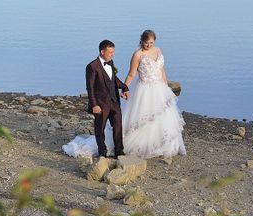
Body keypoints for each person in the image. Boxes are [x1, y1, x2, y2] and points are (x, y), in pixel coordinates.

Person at [122, 30, 186, 158]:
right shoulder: (137, 55)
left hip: (160, 88)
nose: (149, 45)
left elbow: (161, 69)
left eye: (151, 43)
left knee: (164, 117)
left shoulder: (158, 50)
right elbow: (131, 74)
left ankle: (163, 145)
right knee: (145, 117)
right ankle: (144, 145)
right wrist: (125, 88)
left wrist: (166, 85)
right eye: (146, 43)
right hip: (145, 89)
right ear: (142, 41)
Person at [63, 40, 129, 159]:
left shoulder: (110, 62)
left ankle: (119, 151)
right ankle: (102, 152)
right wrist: (94, 105)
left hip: (114, 102)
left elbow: (113, 79)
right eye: (110, 52)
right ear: (102, 52)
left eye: (113, 52)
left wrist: (124, 87)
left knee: (118, 126)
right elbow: (90, 87)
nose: (112, 54)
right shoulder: (92, 66)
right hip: (100, 104)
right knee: (100, 128)